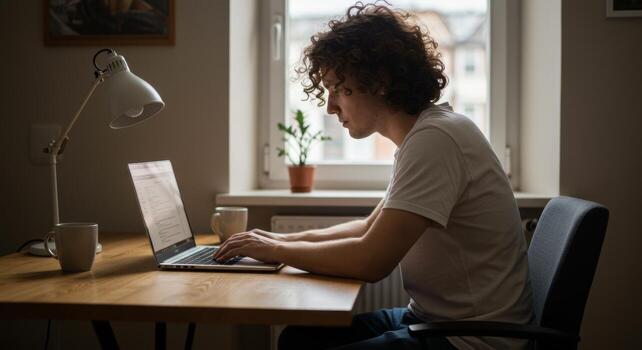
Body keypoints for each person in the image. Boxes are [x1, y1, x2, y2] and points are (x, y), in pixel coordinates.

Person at [214, 2, 533, 349]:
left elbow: (371, 260)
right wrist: (282, 242)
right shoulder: (425, 135)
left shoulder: (435, 141)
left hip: (470, 341)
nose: (330, 107)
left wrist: (276, 249)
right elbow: (368, 228)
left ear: (379, 82)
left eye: (339, 89)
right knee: (299, 339)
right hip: (432, 321)